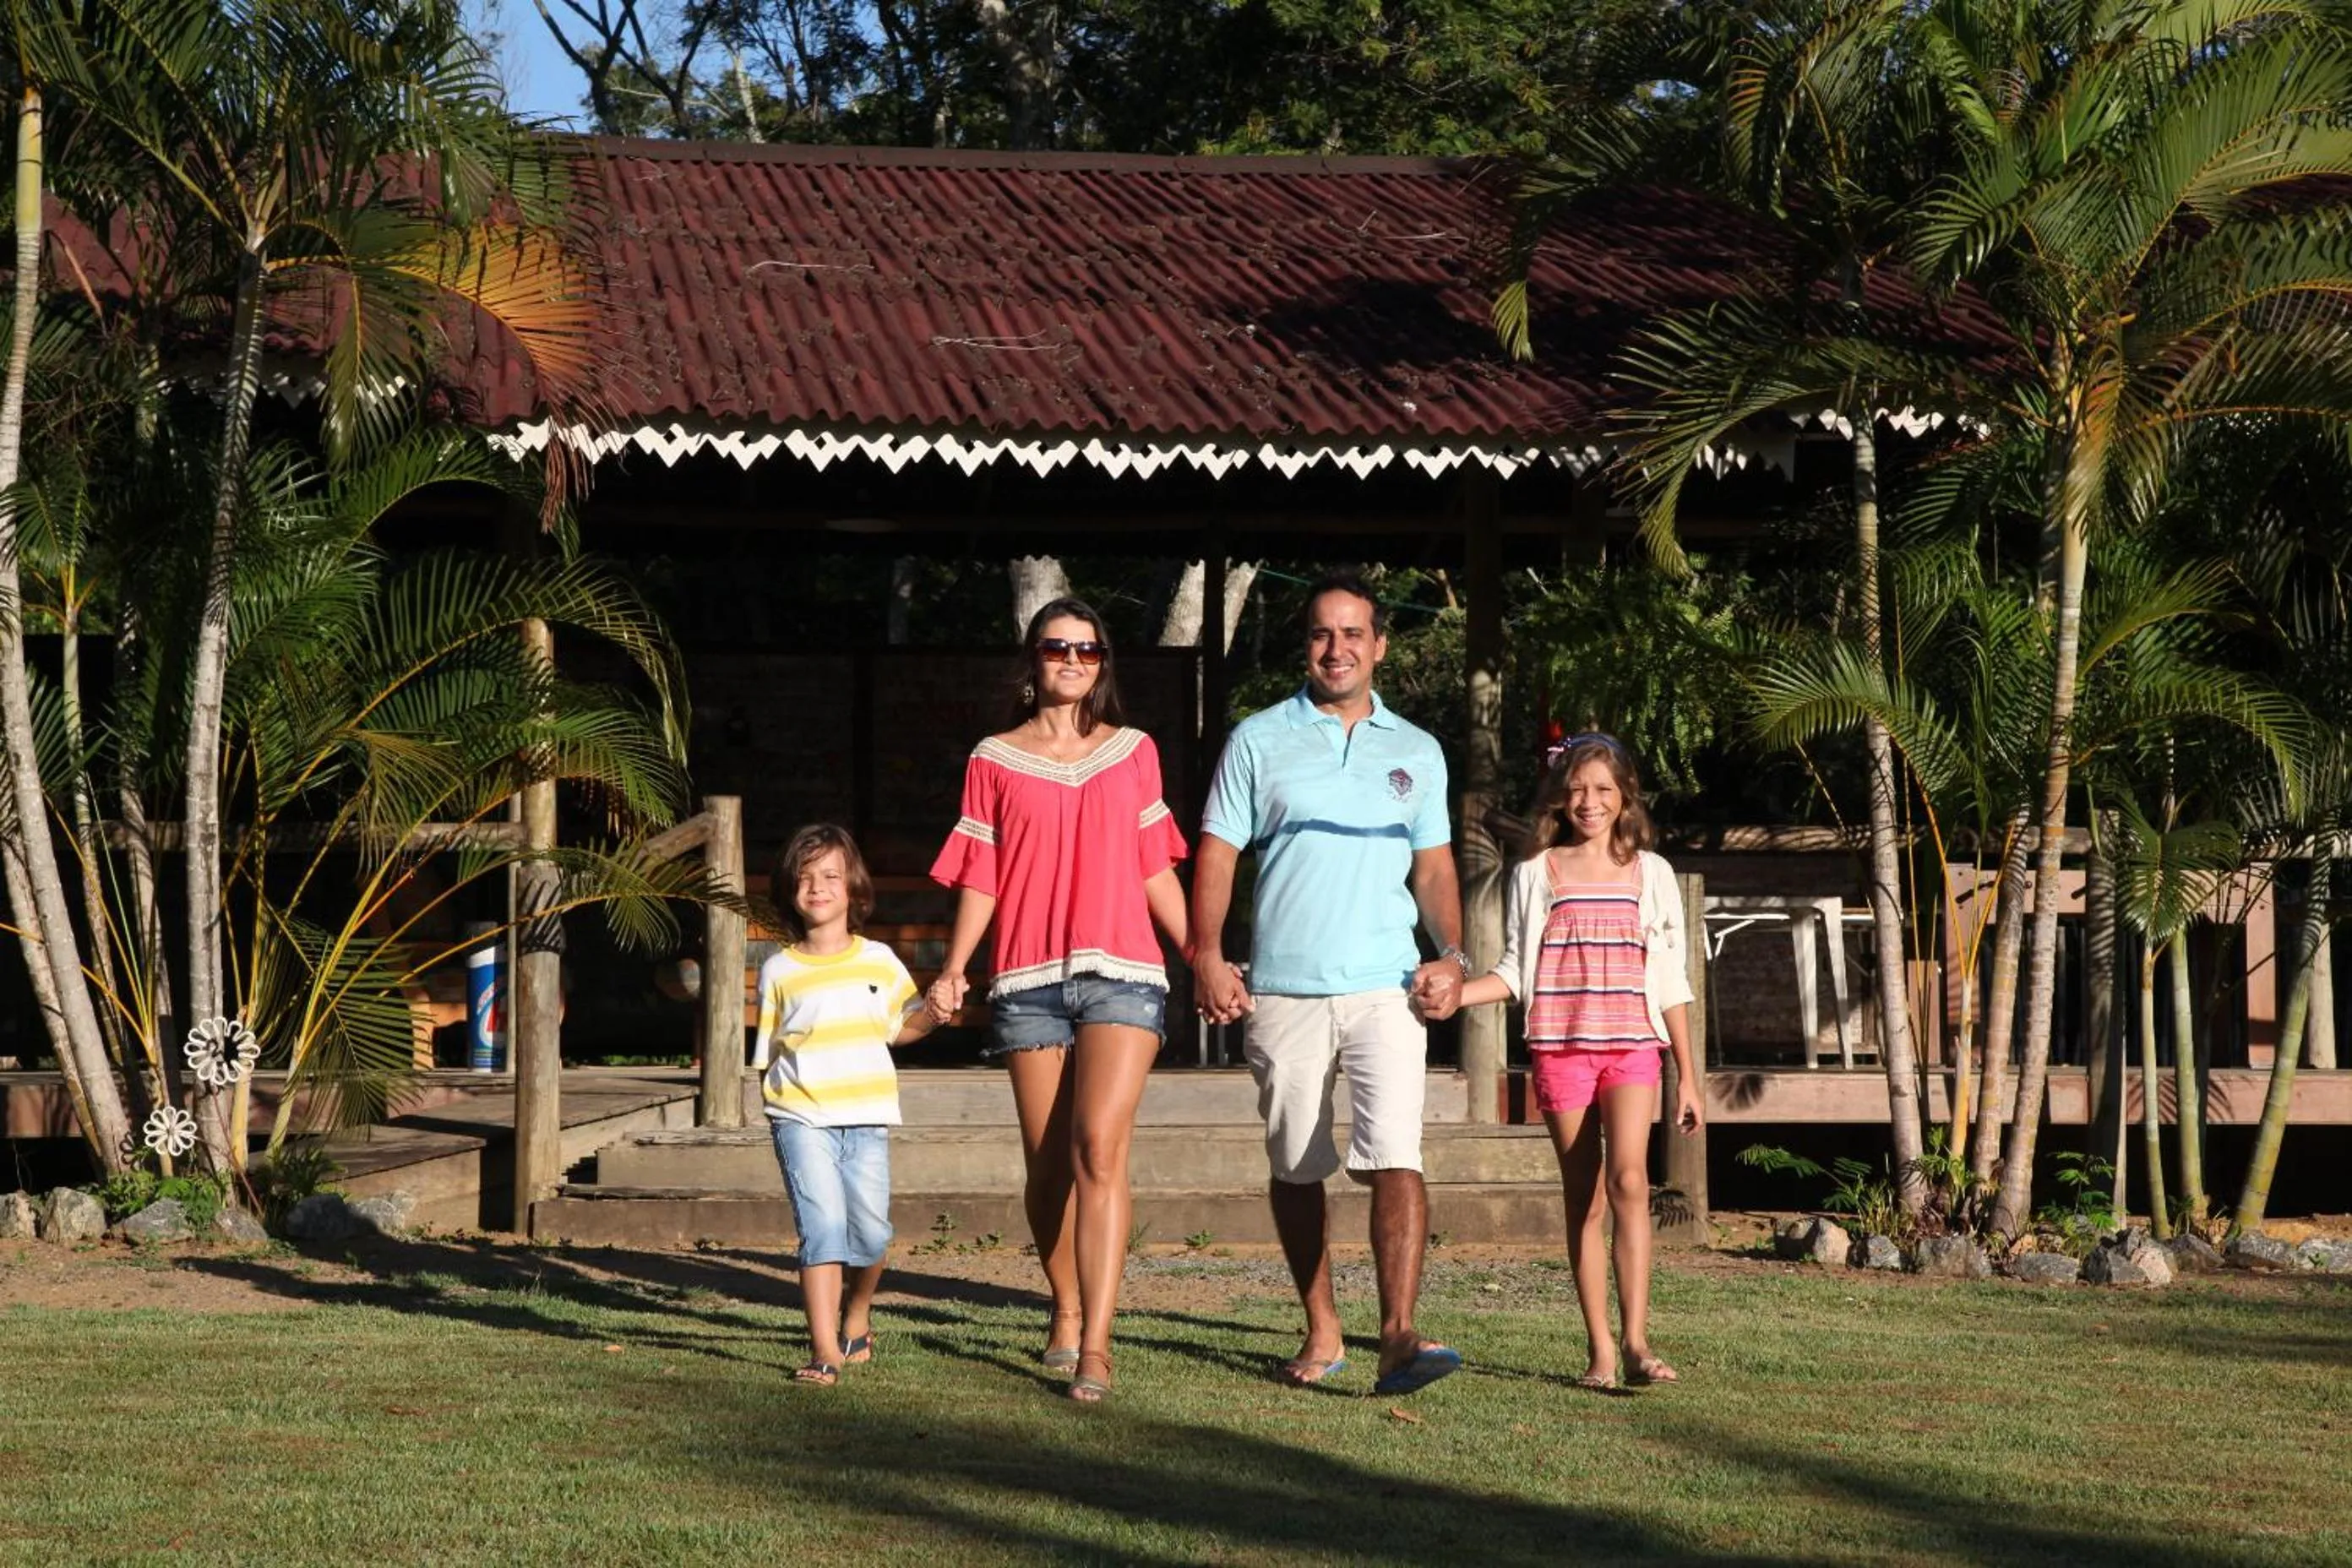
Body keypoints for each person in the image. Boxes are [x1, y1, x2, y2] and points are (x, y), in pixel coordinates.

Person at [1192, 571, 1468, 1396]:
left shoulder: (1418, 750)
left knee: (1397, 1152)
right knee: (1297, 1163)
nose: (1337, 648)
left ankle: (1398, 1334)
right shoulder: (1256, 739)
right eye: (1321, 633)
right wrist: (1206, 953)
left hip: (1387, 982)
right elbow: (1216, 853)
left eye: (1353, 633)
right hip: (1283, 984)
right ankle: (1321, 1325)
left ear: (1380, 644)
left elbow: (1435, 864)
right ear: (1304, 644)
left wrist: (1451, 951)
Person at [927, 597, 1190, 1405]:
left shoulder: (1135, 752)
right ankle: (1065, 1305)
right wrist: (953, 969)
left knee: (1097, 1151)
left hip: (1124, 974)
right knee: (1047, 1171)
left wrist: (1205, 953)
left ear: (1104, 664)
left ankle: (1098, 1347)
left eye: (1088, 651)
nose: (1072, 661)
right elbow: (982, 873)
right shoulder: (994, 758)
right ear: (1032, 659)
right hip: (1028, 980)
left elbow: (1155, 867)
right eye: (1057, 648)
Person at [1456, 733, 1701, 1389]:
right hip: (1561, 1050)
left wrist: (1690, 1079)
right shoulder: (1535, 873)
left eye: (1603, 790)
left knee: (1629, 1182)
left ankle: (1638, 1342)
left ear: (1625, 798)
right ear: (1562, 798)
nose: (1590, 802)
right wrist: (1456, 993)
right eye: (1578, 790)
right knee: (1585, 1198)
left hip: (1632, 1048)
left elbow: (1672, 979)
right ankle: (1598, 1350)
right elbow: (1513, 970)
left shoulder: (1651, 874)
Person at [754, 822, 941, 1387]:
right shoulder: (778, 969)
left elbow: (901, 1029)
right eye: (806, 878)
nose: (818, 887)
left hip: (866, 1119)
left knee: (872, 1235)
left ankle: (857, 1312)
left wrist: (935, 1011)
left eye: (831, 876)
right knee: (822, 1228)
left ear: (854, 890)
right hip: (800, 1117)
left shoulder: (880, 960)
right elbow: (770, 1054)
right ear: (790, 891)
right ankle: (825, 1350)